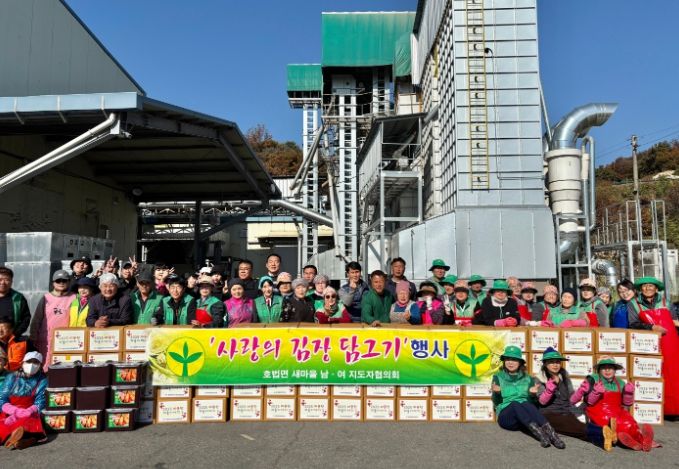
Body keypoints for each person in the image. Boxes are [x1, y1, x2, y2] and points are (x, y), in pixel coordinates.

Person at [571, 356, 658, 451]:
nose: (607, 370)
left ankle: (642, 440)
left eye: (610, 368)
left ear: (615, 370)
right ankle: (628, 438)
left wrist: (628, 394)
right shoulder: (592, 380)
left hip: (618, 411)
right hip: (598, 411)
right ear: (599, 370)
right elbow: (588, 401)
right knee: (620, 425)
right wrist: (593, 394)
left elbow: (626, 403)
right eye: (604, 368)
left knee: (630, 422)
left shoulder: (620, 382)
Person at [492, 345, 564, 448]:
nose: (510, 362)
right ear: (504, 361)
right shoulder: (498, 377)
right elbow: (496, 402)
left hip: (523, 420)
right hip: (507, 418)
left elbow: (533, 404)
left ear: (520, 362)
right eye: (508, 359)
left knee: (526, 403)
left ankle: (552, 435)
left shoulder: (528, 378)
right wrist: (497, 393)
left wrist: (532, 395)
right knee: (515, 403)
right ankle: (541, 435)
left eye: (514, 360)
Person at [627, 276, 679, 416]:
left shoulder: (665, 302)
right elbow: (633, 324)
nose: (647, 288)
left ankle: (676, 408)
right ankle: (661, 410)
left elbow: (674, 321)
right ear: (640, 289)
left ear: (656, 289)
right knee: (654, 375)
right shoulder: (633, 304)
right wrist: (651, 327)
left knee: (674, 375)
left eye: (651, 286)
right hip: (648, 344)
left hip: (670, 344)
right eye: (644, 286)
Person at [534, 348, 589, 444]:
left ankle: (605, 437)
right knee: (578, 428)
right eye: (551, 362)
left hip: (566, 412)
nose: (555, 365)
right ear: (545, 363)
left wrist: (581, 391)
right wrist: (549, 391)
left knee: (579, 429)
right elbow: (542, 401)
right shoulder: (539, 378)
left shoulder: (564, 375)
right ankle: (602, 432)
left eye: (558, 362)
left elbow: (571, 398)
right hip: (549, 414)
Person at [0, 351, 47, 449]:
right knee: (4, 423)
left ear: (40, 366)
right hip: (10, 411)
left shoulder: (42, 380)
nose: (32, 365)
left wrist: (30, 411)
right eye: (29, 361)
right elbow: (2, 398)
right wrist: (14, 411)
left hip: (29, 412)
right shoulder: (11, 377)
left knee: (27, 422)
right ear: (22, 363)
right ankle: (22, 439)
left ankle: (17, 438)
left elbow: (41, 401)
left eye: (36, 362)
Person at [29, 270, 75, 370]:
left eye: (64, 280)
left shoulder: (75, 298)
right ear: (53, 283)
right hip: (45, 340)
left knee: (63, 367)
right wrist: (33, 337)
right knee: (44, 367)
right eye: (58, 281)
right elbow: (37, 319)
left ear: (69, 282)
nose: (61, 283)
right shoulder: (46, 298)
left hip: (66, 340)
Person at [0, 267, 31, 337]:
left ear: (11, 281)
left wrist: (15, 334)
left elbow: (26, 318)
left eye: (6, 280)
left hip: (11, 339)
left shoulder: (18, 298)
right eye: (0, 279)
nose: (3, 283)